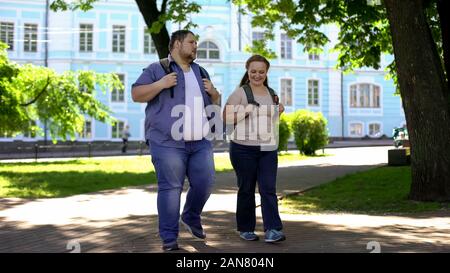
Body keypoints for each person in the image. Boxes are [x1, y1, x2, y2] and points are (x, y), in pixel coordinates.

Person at [131, 30, 220, 251]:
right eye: (191, 42)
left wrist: (216, 95)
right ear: (177, 44)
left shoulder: (201, 72)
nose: (195, 46)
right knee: (171, 188)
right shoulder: (157, 69)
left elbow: (212, 107)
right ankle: (169, 238)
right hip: (167, 142)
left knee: (206, 183)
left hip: (200, 141)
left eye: (196, 42)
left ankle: (190, 216)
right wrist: (160, 84)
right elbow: (136, 94)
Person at [223, 54, 286, 243]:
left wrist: (279, 111)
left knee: (268, 189)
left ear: (266, 73)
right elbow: (225, 117)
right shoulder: (241, 93)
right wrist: (246, 111)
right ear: (248, 72)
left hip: (267, 148)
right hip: (242, 148)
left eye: (261, 72)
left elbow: (271, 122)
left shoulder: (272, 93)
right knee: (247, 189)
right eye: (253, 71)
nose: (257, 75)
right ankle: (245, 228)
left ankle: (273, 230)